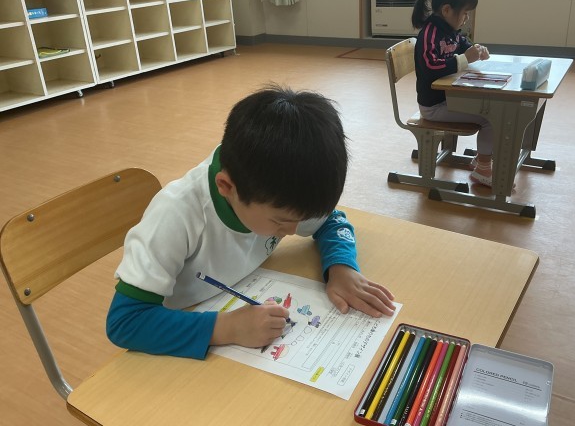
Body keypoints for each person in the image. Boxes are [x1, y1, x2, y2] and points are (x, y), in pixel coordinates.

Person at [106, 84, 396, 359]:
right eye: (280, 223)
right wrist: (228, 328)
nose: (294, 231)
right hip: (176, 332)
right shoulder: (176, 215)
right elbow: (125, 322)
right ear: (226, 187)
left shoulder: (270, 189)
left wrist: (341, 268)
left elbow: (332, 222)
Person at [411, 0, 494, 187]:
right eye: (464, 13)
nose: (466, 18)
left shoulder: (450, 31)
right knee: (490, 118)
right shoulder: (430, 33)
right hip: (434, 106)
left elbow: (463, 45)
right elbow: (430, 67)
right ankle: (483, 168)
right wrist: (465, 59)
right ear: (447, 10)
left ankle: (481, 158)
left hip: (449, 98)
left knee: (492, 107)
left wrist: (476, 50)